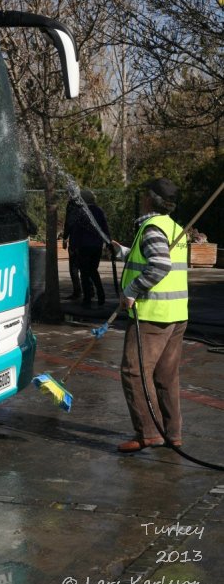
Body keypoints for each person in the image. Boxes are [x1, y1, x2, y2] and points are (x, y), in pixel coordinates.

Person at [113, 177, 188, 453]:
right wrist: (122, 252)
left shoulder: (152, 227)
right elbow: (153, 257)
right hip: (177, 313)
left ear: (150, 199)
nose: (143, 196)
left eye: (145, 193)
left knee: (133, 371)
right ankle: (173, 434)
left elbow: (159, 265)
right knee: (166, 375)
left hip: (152, 315)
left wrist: (131, 291)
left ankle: (148, 433)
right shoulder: (174, 228)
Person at [69, 189, 110, 308]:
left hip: (84, 246)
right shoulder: (98, 211)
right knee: (93, 270)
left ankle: (87, 299)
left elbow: (77, 230)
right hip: (97, 245)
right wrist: (108, 242)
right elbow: (104, 227)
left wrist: (73, 245)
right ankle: (101, 295)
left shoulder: (81, 211)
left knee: (85, 273)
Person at [62, 198, 83, 300]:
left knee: (74, 268)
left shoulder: (72, 204)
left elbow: (69, 222)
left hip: (75, 241)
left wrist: (65, 238)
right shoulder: (85, 204)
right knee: (86, 268)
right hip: (87, 242)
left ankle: (77, 291)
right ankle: (90, 291)